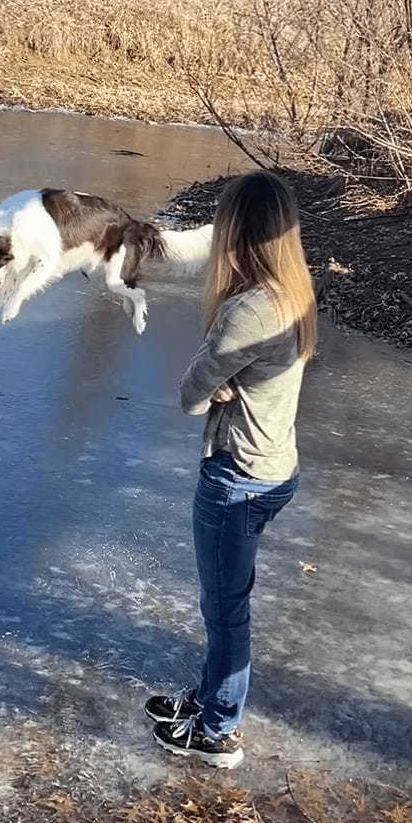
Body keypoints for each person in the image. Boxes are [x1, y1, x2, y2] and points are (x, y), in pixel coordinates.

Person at [145, 170, 317, 768]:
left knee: (225, 608)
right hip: (276, 469)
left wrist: (213, 391)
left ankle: (218, 730)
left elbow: (192, 393)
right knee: (228, 599)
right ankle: (209, 698)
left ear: (236, 232)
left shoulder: (247, 309)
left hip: (237, 478)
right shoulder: (293, 291)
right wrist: (224, 388)